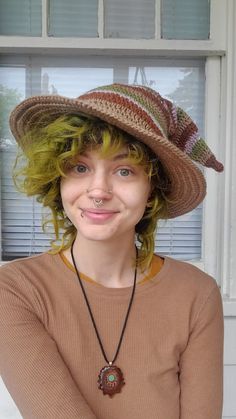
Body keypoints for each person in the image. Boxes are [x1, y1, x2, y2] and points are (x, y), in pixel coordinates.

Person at [0, 83, 224, 419]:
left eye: (124, 171)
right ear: (56, 178)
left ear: (152, 189)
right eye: (80, 167)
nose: (99, 191)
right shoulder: (15, 289)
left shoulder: (197, 294)